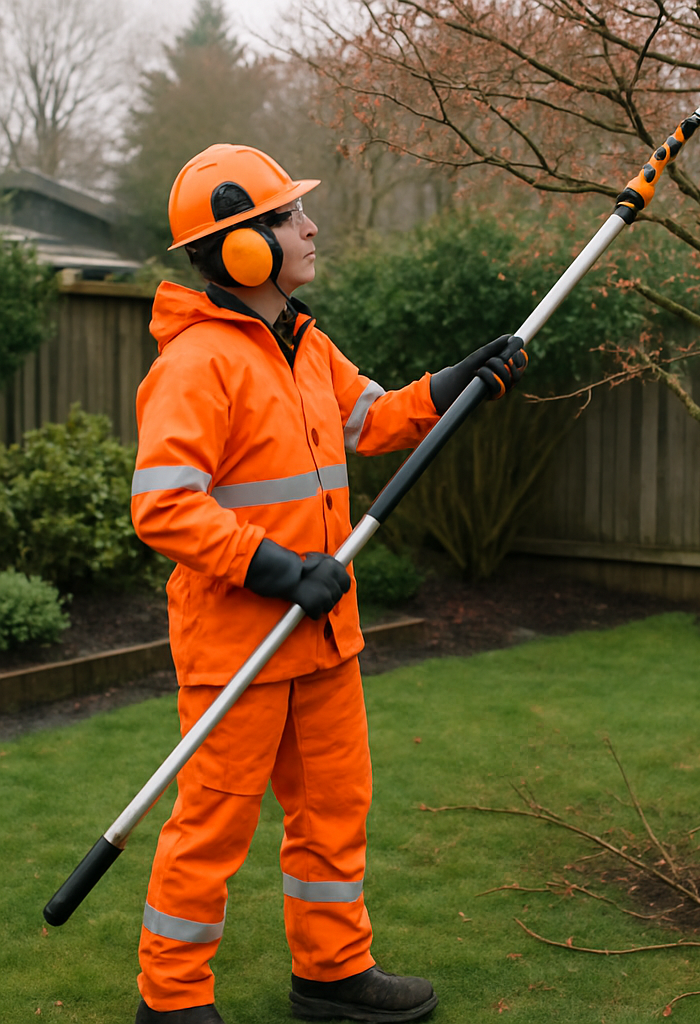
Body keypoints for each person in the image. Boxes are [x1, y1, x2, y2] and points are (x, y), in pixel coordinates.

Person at [129, 143, 527, 1024]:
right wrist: (274, 568)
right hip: (239, 645)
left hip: (323, 638)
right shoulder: (198, 363)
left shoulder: (305, 345)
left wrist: (454, 383)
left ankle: (333, 974)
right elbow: (161, 506)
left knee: (334, 814)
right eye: (286, 217)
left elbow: (373, 417)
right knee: (211, 833)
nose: (310, 227)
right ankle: (172, 1001)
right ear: (239, 248)